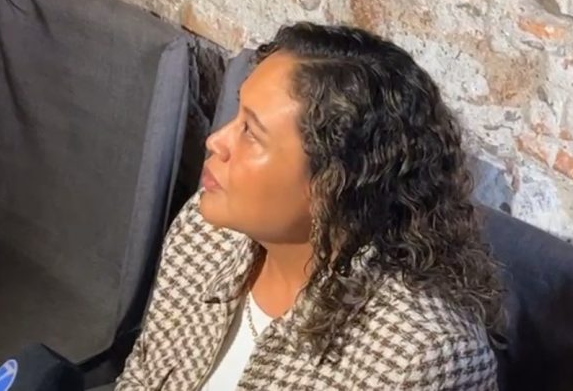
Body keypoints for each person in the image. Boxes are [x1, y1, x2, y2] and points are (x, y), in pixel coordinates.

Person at [115, 22, 503, 390]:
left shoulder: (422, 359)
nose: (216, 140)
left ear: (334, 184)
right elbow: (141, 377)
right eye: (237, 114)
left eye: (251, 132)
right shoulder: (206, 233)